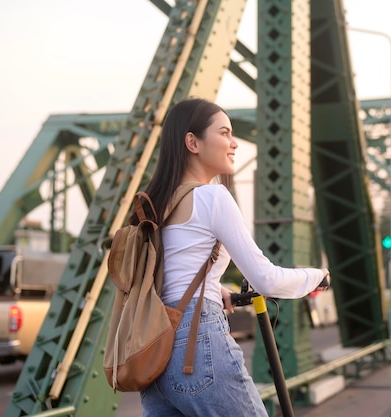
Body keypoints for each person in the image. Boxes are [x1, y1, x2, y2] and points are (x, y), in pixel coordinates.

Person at [137, 98, 329, 417]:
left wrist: (215, 287)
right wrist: (317, 276)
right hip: (197, 345)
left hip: (153, 356)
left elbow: (172, 272)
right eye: (225, 133)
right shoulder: (212, 196)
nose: (234, 143)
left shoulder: (157, 202)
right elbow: (265, 278)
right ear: (192, 142)